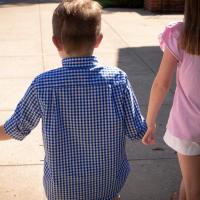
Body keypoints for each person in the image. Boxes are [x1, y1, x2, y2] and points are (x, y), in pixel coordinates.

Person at [0, 0, 147, 199]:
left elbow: (16, 127)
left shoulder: (44, 85)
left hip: (63, 189)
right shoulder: (117, 80)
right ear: (98, 40)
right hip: (108, 184)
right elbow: (137, 130)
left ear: (55, 41)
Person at [142, 0, 200, 199]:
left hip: (186, 127)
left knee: (192, 183)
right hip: (188, 129)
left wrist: (150, 121)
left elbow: (161, 84)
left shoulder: (179, 35)